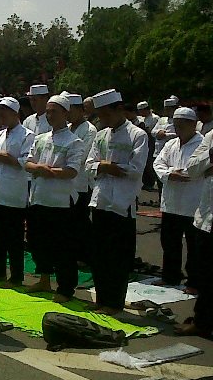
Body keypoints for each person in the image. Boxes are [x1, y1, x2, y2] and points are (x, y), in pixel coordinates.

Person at [86, 89, 149, 315]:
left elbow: (135, 169)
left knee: (118, 257)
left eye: (105, 114)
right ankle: (101, 298)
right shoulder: (101, 135)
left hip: (123, 204)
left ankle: (114, 302)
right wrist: (105, 166)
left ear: (119, 110)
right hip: (100, 200)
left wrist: (107, 167)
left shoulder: (137, 135)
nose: (102, 119)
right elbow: (89, 165)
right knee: (99, 255)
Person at [24, 95, 84, 302]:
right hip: (39, 198)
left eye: (54, 112)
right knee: (39, 243)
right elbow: (28, 163)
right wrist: (39, 168)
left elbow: (72, 171)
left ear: (66, 114)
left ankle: (65, 288)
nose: (49, 116)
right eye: (47, 112)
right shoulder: (41, 139)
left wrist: (45, 171)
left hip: (60, 202)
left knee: (63, 247)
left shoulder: (74, 141)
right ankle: (44, 279)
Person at [153, 107, 204, 292]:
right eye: (176, 126)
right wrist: (169, 174)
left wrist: (179, 172)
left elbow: (198, 168)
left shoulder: (202, 144)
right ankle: (170, 276)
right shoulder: (171, 144)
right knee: (169, 242)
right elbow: (158, 163)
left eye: (182, 126)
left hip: (193, 202)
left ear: (193, 125)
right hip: (171, 202)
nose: (179, 129)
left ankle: (194, 281)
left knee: (194, 246)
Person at [0, 97, 34, 286]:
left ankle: (16, 276)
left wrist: (4, 157)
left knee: (14, 238)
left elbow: (25, 162)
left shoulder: (27, 135)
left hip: (14, 193)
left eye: (4, 112)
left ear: (15, 113)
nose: (1, 116)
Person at [176, 126, 213, 337]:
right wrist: (211, 156)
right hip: (207, 218)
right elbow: (192, 168)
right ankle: (202, 321)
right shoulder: (211, 136)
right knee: (206, 275)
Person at [66, 92, 97, 267]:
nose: (68, 114)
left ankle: (85, 256)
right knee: (69, 221)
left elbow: (81, 155)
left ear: (80, 110)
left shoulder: (90, 130)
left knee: (81, 221)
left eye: (70, 110)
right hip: (65, 182)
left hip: (81, 183)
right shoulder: (68, 127)